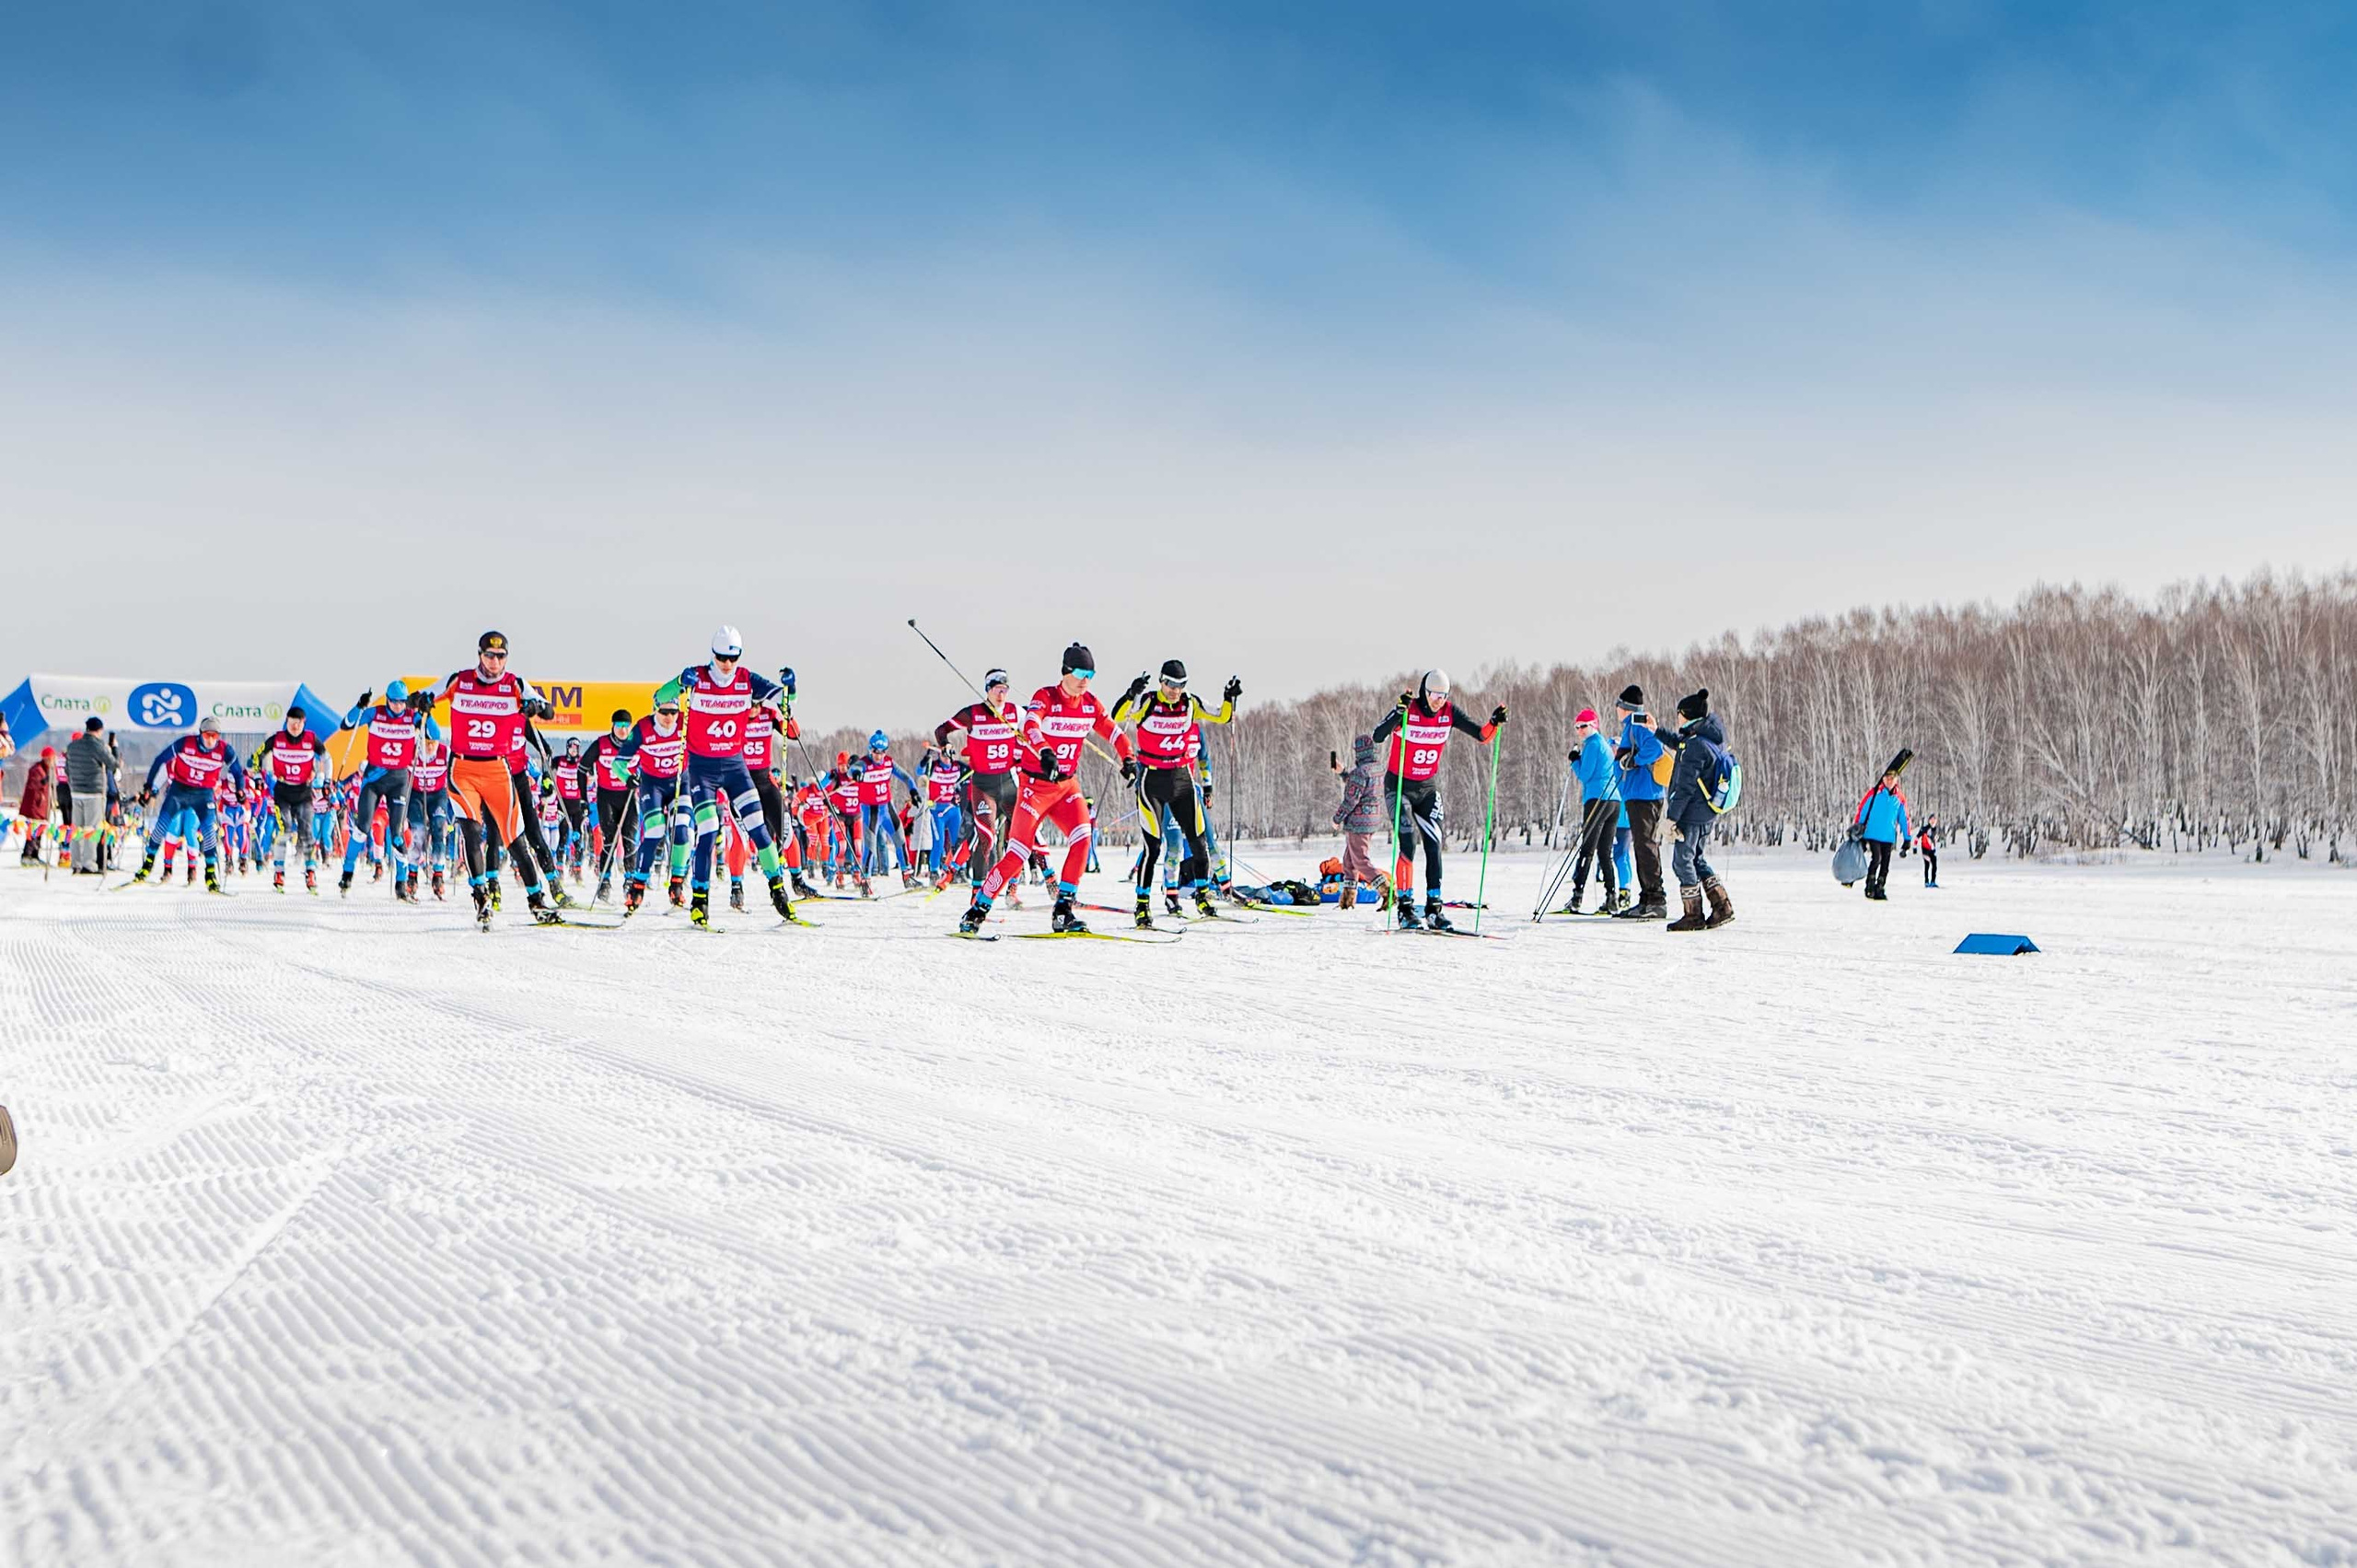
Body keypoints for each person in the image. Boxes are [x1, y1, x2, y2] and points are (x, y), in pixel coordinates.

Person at [958, 643, 1136, 935]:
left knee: (1083, 837)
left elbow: (1113, 731)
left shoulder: (1090, 703)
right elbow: (1031, 726)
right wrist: (1044, 751)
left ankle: (1063, 910)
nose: (1085, 680)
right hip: (1034, 788)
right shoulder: (1047, 697)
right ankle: (977, 909)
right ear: (1065, 672)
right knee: (1018, 852)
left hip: (1066, 787)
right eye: (1080, 672)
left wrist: (1128, 757)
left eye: (1090, 673)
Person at [653, 626, 802, 927]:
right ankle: (699, 900)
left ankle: (779, 892)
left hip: (735, 766)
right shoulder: (698, 677)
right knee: (708, 831)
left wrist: (791, 687)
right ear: (713, 654)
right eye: (722, 657)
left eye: (733, 658)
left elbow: (786, 701)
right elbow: (660, 696)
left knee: (759, 829)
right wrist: (680, 681)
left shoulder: (747, 680)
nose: (727, 664)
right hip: (702, 769)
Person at [418, 630, 564, 927]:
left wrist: (536, 707)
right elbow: (424, 696)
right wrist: (419, 702)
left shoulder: (516, 685)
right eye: (489, 655)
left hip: (498, 770)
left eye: (500, 657)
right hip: (463, 770)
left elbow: (548, 710)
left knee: (515, 839)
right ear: (479, 656)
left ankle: (537, 902)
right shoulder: (459, 680)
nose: (495, 662)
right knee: (472, 831)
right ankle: (482, 898)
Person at [1368, 669, 1506, 932]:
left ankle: (1434, 909)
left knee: (1434, 844)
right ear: (1424, 692)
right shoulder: (1409, 710)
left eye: (1443, 696)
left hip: (1427, 788)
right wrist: (1398, 713)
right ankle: (1406, 908)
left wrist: (1494, 722)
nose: (1438, 701)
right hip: (1399, 786)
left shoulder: (1449, 713)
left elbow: (1482, 735)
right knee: (1408, 842)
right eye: (1433, 695)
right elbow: (1377, 735)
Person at [1111, 659, 1238, 927]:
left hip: (1182, 779)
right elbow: (1119, 715)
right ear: (1161, 682)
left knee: (1199, 841)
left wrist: (1229, 697)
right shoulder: (1147, 702)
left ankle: (1203, 896)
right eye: (1170, 684)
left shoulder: (1190, 703)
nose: (1175, 690)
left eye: (1180, 685)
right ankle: (1143, 905)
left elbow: (1223, 716)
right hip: (1152, 780)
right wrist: (1130, 693)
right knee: (1154, 847)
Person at [335, 681, 437, 898]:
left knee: (398, 833)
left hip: (399, 779)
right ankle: (347, 872)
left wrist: (427, 713)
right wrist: (359, 705)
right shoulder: (375, 714)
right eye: (393, 701)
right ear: (388, 700)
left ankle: (401, 885)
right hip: (373, 778)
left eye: (402, 702)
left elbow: (434, 734)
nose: (398, 706)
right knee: (362, 829)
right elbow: (346, 724)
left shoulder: (412, 717)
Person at [935, 669, 1024, 889]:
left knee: (1021, 837)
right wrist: (945, 744)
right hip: (983, 786)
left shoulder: (1015, 713)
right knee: (985, 839)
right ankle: (971, 888)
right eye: (996, 690)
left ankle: (1015, 889)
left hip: (1010, 785)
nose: (1001, 695)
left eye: (1005, 690)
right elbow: (942, 730)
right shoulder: (973, 714)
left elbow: (1036, 725)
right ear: (987, 690)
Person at [133, 717, 245, 890]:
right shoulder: (186, 743)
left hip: (203, 794)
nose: (211, 740)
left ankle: (210, 874)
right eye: (207, 735)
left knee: (208, 832)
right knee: (162, 827)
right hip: (180, 791)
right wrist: (149, 786)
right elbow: (160, 760)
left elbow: (237, 772)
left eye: (215, 736)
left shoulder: (224, 750)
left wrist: (240, 790)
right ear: (201, 734)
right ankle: (148, 865)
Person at [1656, 689, 1734, 931]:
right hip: (1707, 811)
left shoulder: (1695, 746)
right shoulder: (1707, 738)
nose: (1677, 718)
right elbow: (1680, 744)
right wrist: (1656, 730)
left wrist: (1671, 819)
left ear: (1686, 715)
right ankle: (1722, 907)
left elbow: (1685, 786)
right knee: (1696, 859)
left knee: (1682, 861)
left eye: (1678, 714)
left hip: (1692, 813)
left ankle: (1693, 915)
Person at [615, 692, 690, 912]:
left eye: (673, 712)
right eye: (663, 712)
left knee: (681, 830)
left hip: (679, 782)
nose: (668, 717)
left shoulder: (685, 723)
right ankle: (637, 887)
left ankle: (677, 884)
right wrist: (627, 778)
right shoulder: (642, 728)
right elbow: (618, 764)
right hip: (652, 784)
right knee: (656, 832)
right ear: (655, 710)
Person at [251, 707, 330, 893]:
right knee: (285, 829)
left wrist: (327, 780)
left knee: (307, 832)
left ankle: (311, 871)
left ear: (304, 723)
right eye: (292, 722)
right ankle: (279, 872)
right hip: (283, 792)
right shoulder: (277, 739)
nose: (295, 726)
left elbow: (327, 758)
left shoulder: (311, 739)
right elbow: (256, 757)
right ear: (286, 721)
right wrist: (258, 778)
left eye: (299, 723)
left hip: (303, 792)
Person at [1610, 685, 1668, 920]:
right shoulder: (1631, 727)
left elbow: (1655, 749)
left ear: (1624, 708)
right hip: (1637, 794)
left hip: (1645, 795)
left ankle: (1656, 899)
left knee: (1645, 846)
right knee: (1641, 847)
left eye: (1618, 705)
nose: (1616, 709)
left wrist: (1633, 761)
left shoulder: (1637, 725)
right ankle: (1646, 899)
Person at [1558, 708, 1622, 914]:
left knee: (1587, 849)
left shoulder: (1593, 744)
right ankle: (1612, 897)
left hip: (1597, 798)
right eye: (1577, 727)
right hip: (1613, 800)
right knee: (1605, 852)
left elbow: (1585, 775)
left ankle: (1577, 897)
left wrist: (1575, 761)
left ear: (1593, 725)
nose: (1580, 731)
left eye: (1583, 726)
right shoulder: (1602, 744)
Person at [582, 708, 638, 901]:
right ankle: (604, 881)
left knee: (630, 838)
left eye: (626, 726)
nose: (623, 730)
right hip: (606, 796)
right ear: (612, 726)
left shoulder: (635, 743)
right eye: (619, 726)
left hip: (629, 797)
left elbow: (649, 766)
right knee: (610, 839)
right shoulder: (602, 743)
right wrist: (583, 799)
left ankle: (630, 880)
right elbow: (582, 769)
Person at [852, 731, 919, 885]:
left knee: (900, 839)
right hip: (871, 810)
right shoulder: (864, 763)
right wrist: (856, 774)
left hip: (887, 808)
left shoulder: (889, 762)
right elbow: (852, 770)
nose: (879, 756)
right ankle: (865, 880)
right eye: (876, 752)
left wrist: (913, 790)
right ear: (870, 749)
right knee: (871, 846)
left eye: (882, 752)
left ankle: (907, 875)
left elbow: (906, 776)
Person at [1329, 732, 1384, 912]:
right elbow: (1357, 783)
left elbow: (1351, 799)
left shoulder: (1361, 772)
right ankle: (1347, 899)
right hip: (1372, 820)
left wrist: (1337, 819)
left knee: (1360, 861)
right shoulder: (1377, 769)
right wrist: (1343, 772)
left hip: (1358, 822)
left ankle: (1387, 892)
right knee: (1349, 861)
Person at [64, 716, 118, 875]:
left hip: (76, 792)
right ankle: (89, 863)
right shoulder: (98, 745)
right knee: (92, 829)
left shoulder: (72, 746)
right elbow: (113, 764)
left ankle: (76, 863)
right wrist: (113, 749)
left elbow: (67, 769)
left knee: (77, 829)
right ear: (100, 730)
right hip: (94, 792)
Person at [1852, 765, 1913, 901]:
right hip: (1872, 834)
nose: (1889, 781)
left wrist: (1907, 837)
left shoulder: (1899, 798)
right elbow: (1862, 810)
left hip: (1888, 836)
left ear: (1896, 780)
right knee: (1877, 858)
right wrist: (1857, 829)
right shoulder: (1874, 793)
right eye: (1887, 778)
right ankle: (1870, 885)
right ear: (1883, 780)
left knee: (1885, 863)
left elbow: (1904, 819)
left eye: (1892, 778)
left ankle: (1880, 887)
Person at [16, 746, 56, 865]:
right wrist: (44, 782)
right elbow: (34, 787)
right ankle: (27, 854)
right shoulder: (37, 770)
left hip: (42, 807)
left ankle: (35, 854)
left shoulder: (47, 769)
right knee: (33, 830)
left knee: (39, 831)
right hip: (35, 807)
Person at [1918, 813, 1941, 889]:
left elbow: (1936, 838)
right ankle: (1926, 882)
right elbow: (1917, 836)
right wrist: (1915, 848)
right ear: (1929, 820)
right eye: (1931, 819)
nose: (1933, 821)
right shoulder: (1925, 828)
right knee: (1927, 865)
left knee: (1935, 865)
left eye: (1934, 819)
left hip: (1932, 850)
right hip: (1925, 850)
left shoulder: (1936, 829)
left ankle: (1933, 881)